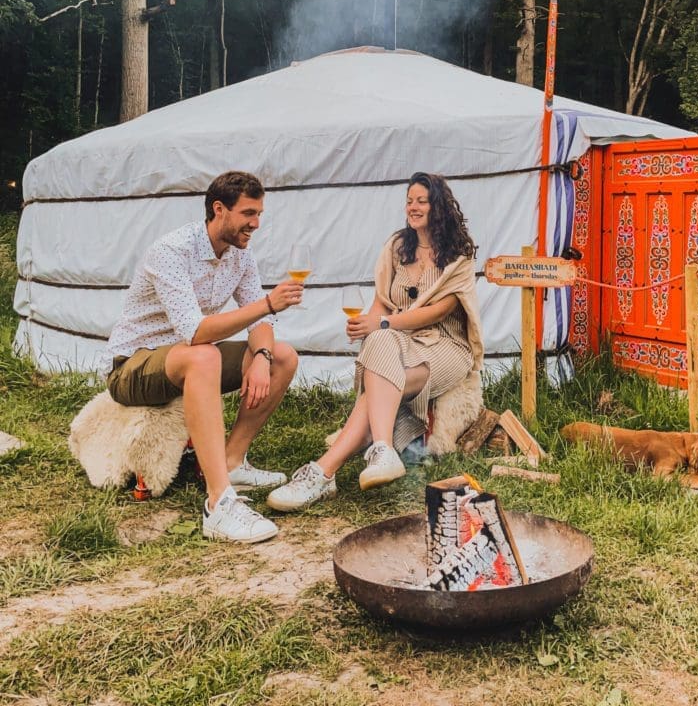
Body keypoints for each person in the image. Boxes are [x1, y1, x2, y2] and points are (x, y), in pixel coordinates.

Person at [105, 170, 304, 543]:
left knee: (283, 356)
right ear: (219, 210)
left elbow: (260, 321)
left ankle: (232, 462)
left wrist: (261, 355)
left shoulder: (240, 257)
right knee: (204, 355)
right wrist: (266, 304)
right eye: (248, 213)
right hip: (133, 364)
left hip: (185, 358)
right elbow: (194, 332)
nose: (256, 224)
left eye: (259, 214)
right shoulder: (172, 251)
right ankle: (219, 503)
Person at [268, 171, 483, 512]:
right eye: (409, 200)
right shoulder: (398, 247)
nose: (412, 207)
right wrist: (368, 324)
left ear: (438, 205)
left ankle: (323, 472)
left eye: (421, 201)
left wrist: (381, 322)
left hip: (445, 345)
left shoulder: (458, 255)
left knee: (378, 381)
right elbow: (382, 300)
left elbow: (438, 312)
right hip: (400, 339)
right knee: (380, 342)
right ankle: (383, 450)